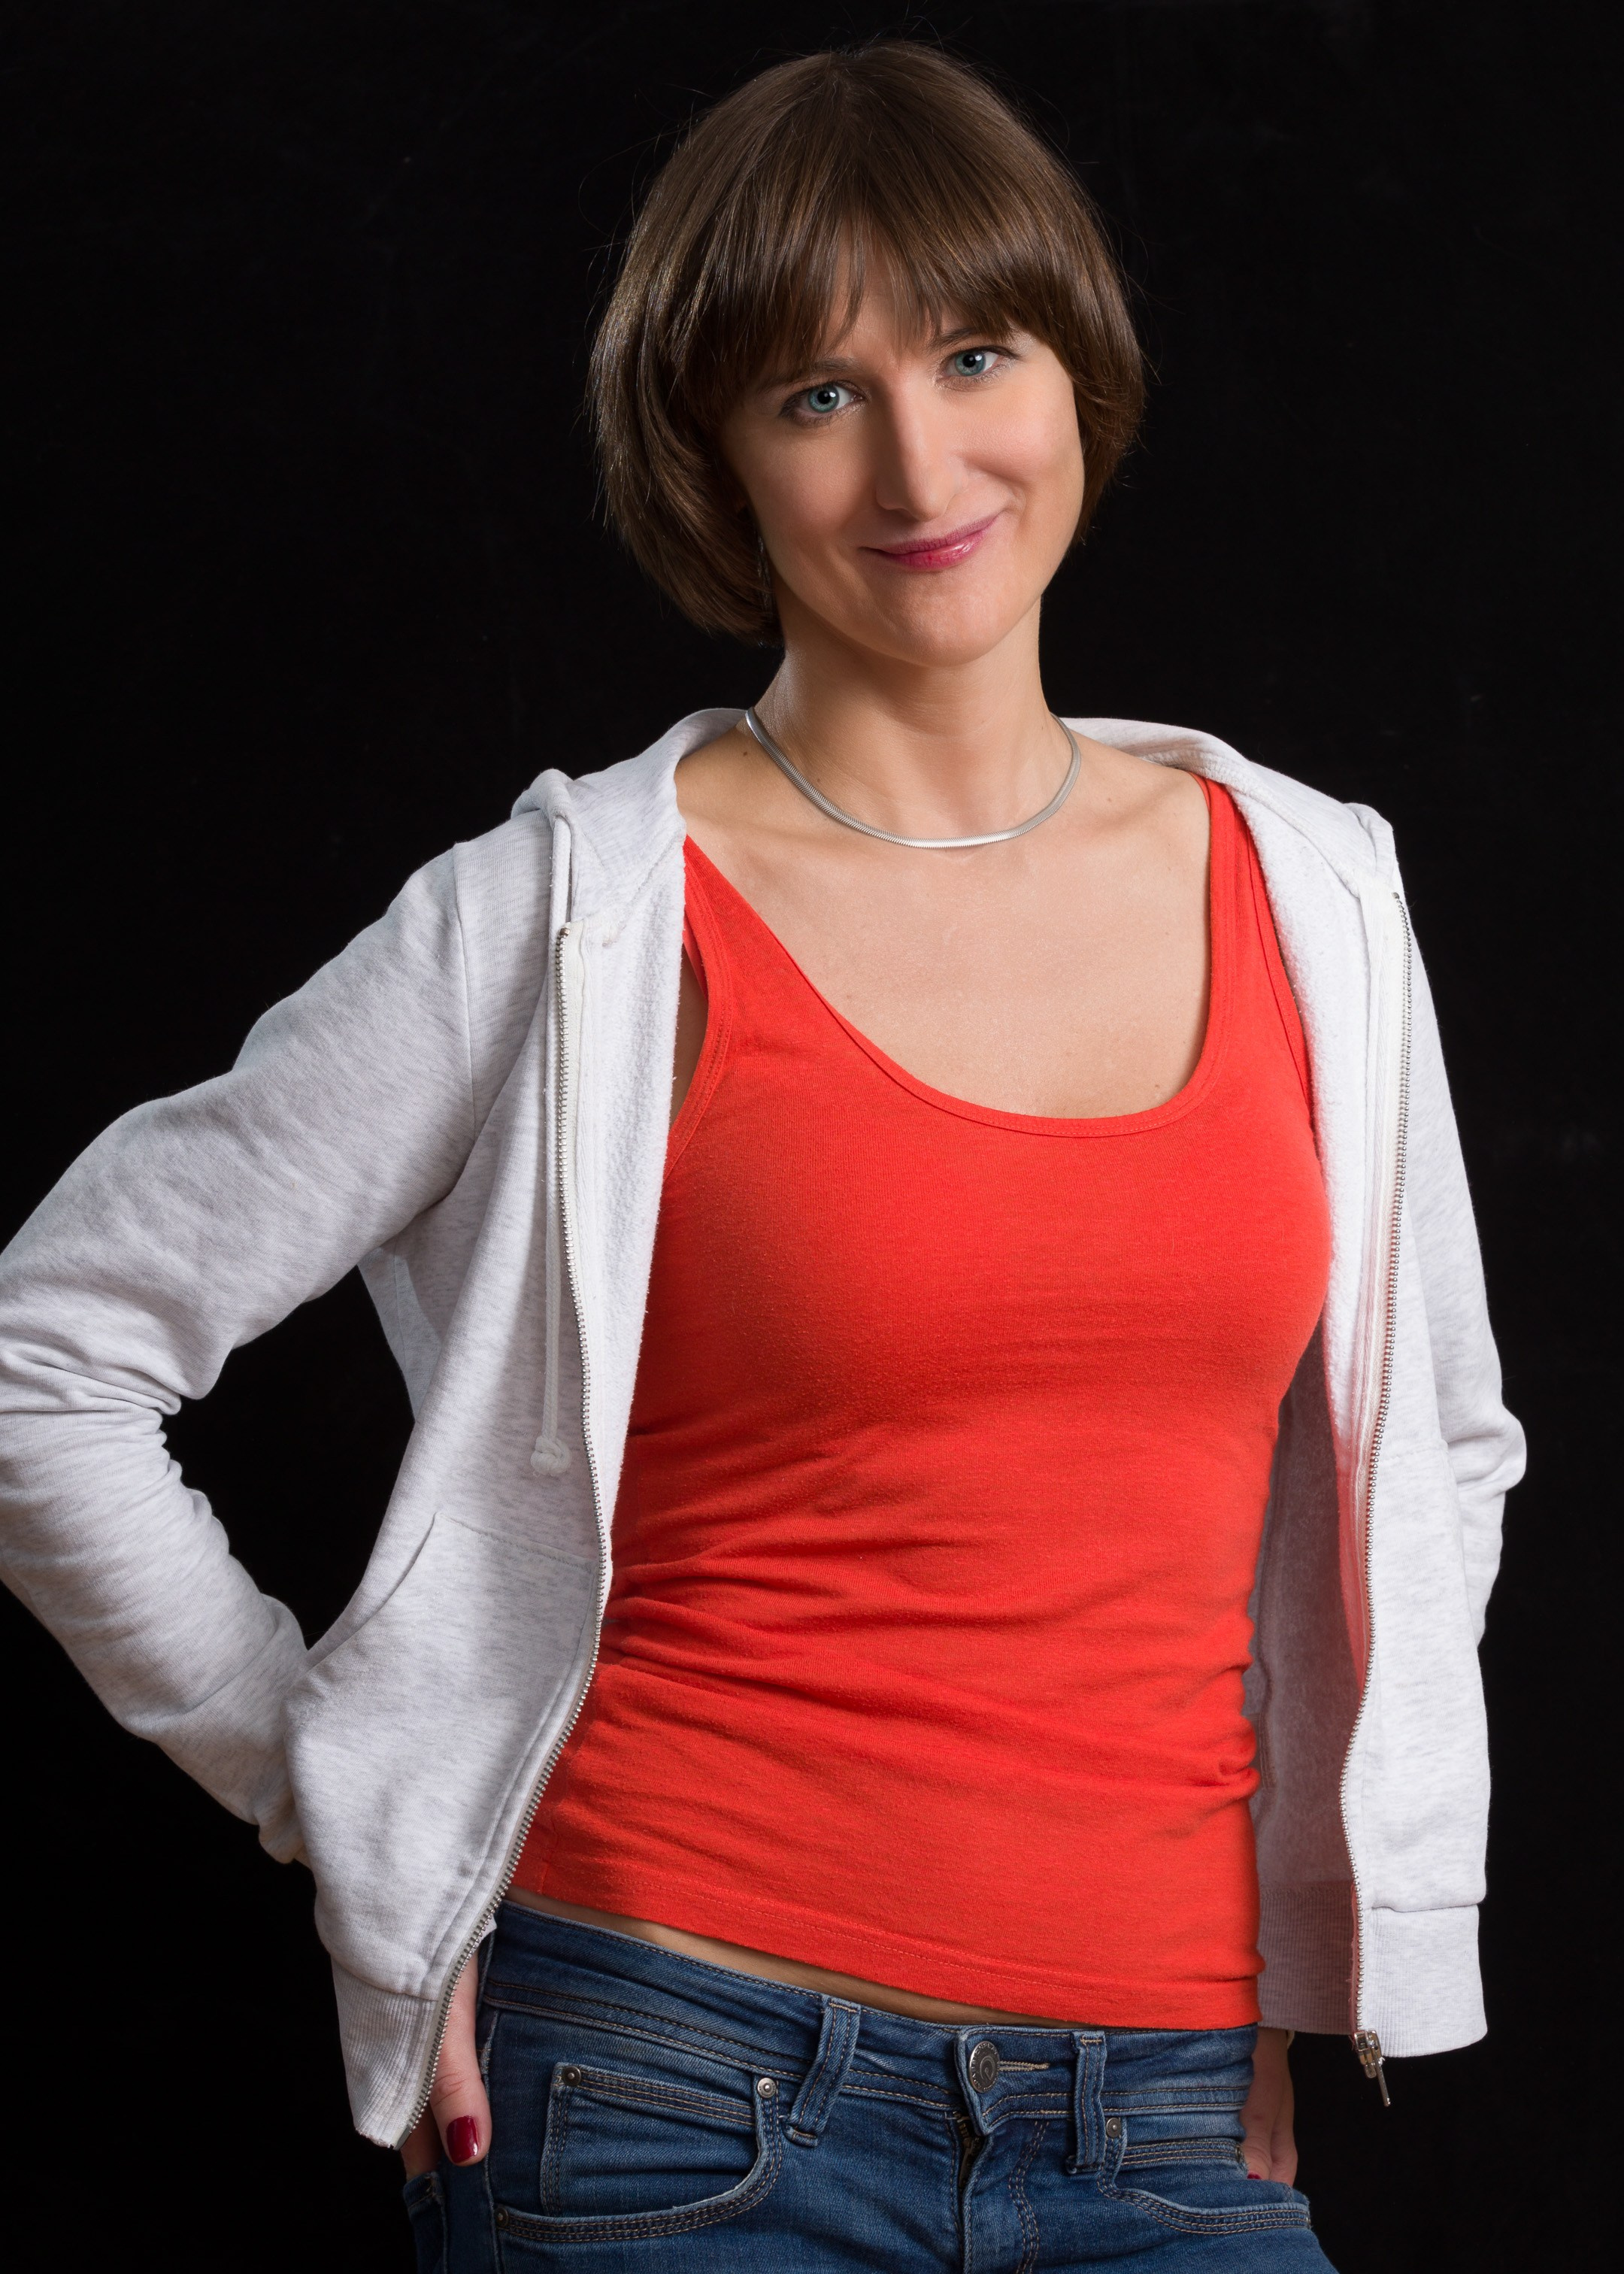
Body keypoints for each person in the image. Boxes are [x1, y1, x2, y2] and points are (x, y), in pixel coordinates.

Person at [0, 41, 1522, 2273]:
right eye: (817, 396)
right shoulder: (564, 918)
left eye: (975, 354)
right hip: (668, 2093)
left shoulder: (1316, 889)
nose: (923, 461)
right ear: (717, 466)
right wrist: (348, 1798)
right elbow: (45, 1355)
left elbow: (1443, 1448)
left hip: (1180, 2109)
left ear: (1072, 372)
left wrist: (1329, 1924)